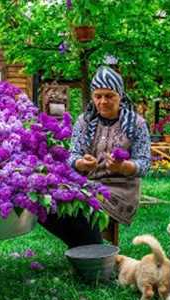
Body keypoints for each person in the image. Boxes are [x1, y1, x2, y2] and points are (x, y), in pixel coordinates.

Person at [39, 66, 151, 248]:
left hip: (120, 191)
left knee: (82, 209)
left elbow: (145, 163)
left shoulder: (136, 124)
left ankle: (90, 251)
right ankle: (88, 248)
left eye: (109, 96)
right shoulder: (85, 121)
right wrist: (81, 163)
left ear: (120, 95)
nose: (103, 101)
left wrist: (124, 167)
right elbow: (72, 155)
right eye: (98, 96)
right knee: (43, 204)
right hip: (86, 185)